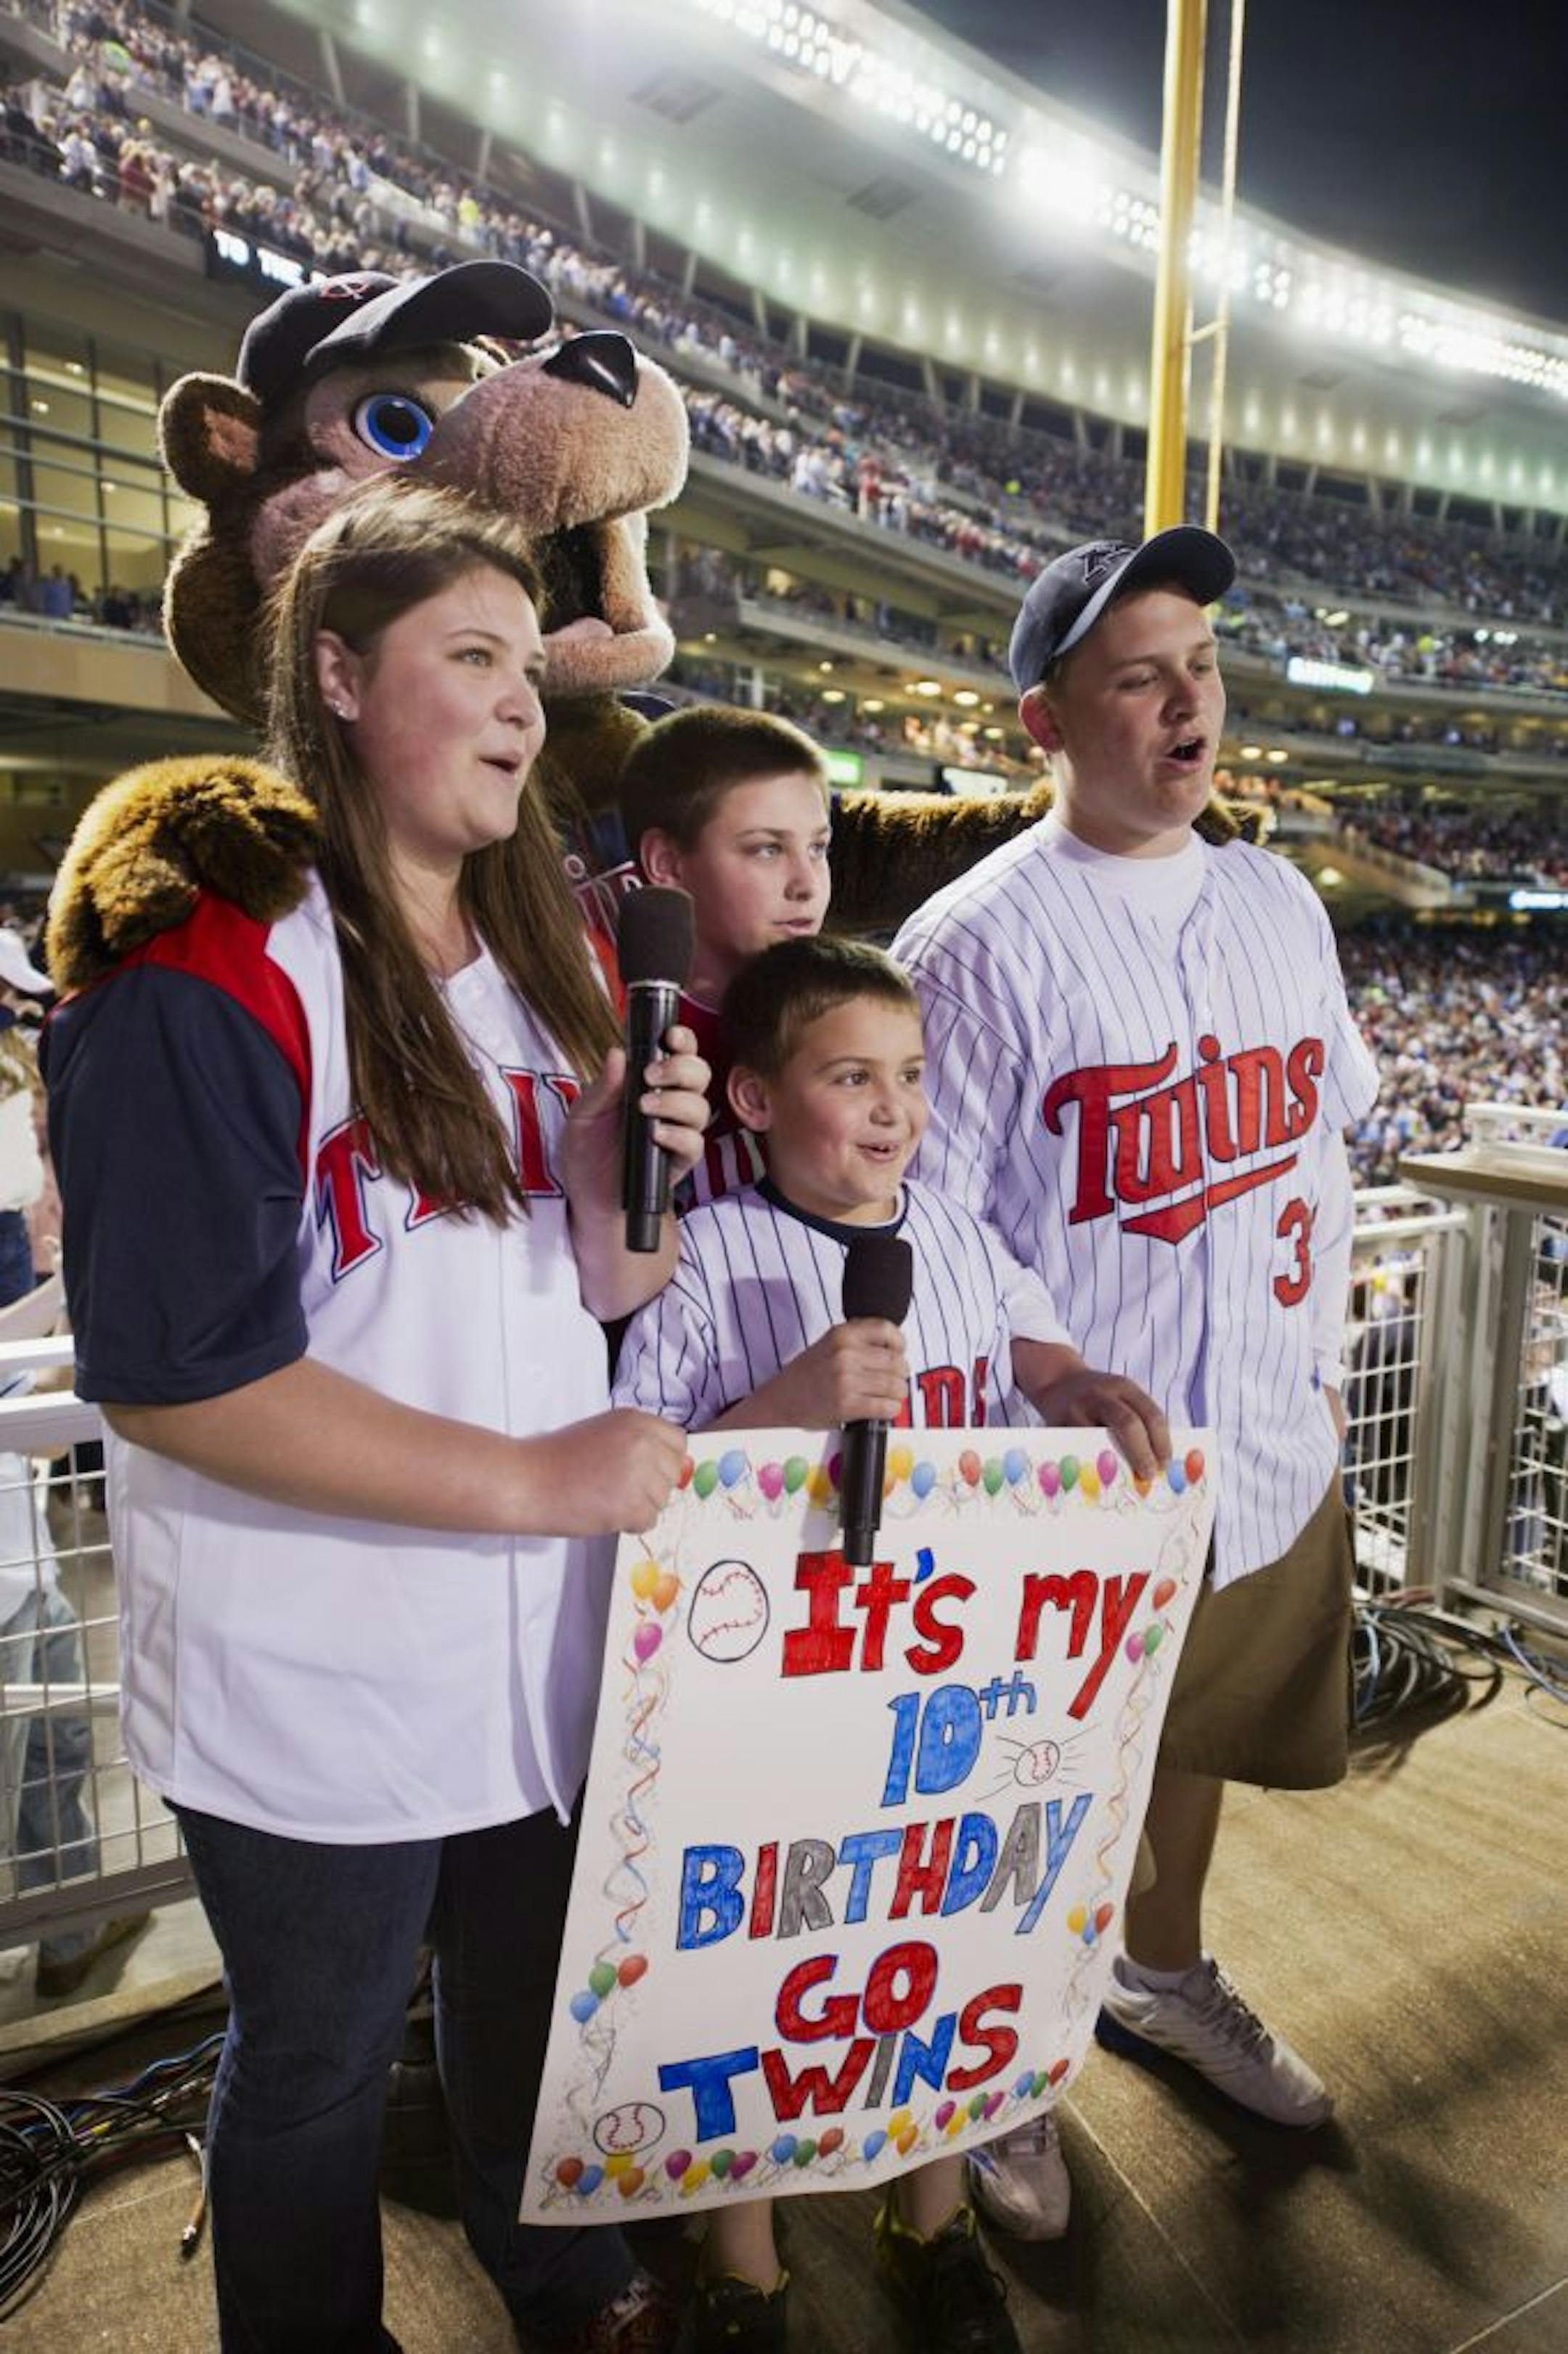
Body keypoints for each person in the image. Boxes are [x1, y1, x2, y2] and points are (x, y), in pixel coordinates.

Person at [43, 478, 713, 2354]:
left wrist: (611, 1199)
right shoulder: (211, 945)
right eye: (470, 658)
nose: (520, 705)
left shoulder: (536, 957)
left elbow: (571, 1304)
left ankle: (558, 2269)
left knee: (521, 2008)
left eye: (528, 667)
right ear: (336, 673)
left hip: (523, 1649)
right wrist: (534, 1475)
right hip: (314, 1658)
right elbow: (177, 1373)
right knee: (323, 2066)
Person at [892, 528, 1378, 2241]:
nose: (1188, 702)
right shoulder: (967, 944)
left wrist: (1312, 1367)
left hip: (1256, 1440)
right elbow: (923, 1224)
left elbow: (1322, 1138)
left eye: (1201, 666)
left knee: (1190, 1754)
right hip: (1062, 1488)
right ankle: (1001, 2068)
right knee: (1028, 1786)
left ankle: (1157, 1977)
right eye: (1138, 675)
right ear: (1042, 717)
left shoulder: (1273, 897)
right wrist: (1043, 1354)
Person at [613, 932, 1159, 2354]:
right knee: (753, 1961)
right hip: (766, 1689)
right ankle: (742, 2257)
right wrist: (790, 1403)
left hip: (942, 1678)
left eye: (909, 1074)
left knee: (930, 1937)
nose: (891, 1105)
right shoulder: (704, 1250)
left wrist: (1084, 1383)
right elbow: (644, 1477)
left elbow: (1035, 1358)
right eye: (849, 1072)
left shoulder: (964, 1240)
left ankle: (932, 2218)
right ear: (752, 1098)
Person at [618, 706, 832, 1210]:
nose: (807, 884)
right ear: (667, 864)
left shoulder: (843, 1015)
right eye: (766, 850)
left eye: (819, 848)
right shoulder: (598, 1031)